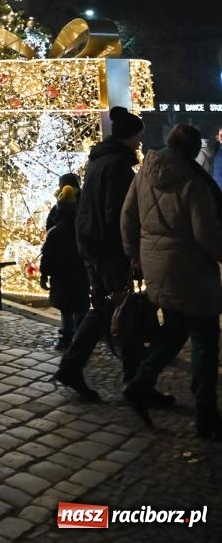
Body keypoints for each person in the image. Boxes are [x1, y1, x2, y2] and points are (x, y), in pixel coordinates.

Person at [54, 105, 170, 405]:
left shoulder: (99, 161)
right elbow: (115, 213)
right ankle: (134, 382)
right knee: (122, 306)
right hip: (107, 247)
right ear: (129, 137)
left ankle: (76, 367)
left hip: (92, 243)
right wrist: (128, 250)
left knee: (107, 306)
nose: (140, 141)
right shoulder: (118, 165)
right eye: (138, 136)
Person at [121, 123, 222, 439]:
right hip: (190, 270)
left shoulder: (145, 173)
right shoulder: (194, 182)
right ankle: (206, 414)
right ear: (192, 150)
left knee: (176, 327)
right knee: (205, 337)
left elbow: (127, 216)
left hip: (156, 266)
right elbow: (206, 234)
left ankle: (140, 383)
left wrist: (134, 255)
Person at [40, 184, 90, 350]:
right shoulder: (82, 230)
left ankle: (66, 338)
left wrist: (44, 274)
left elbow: (47, 256)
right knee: (80, 307)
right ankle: (81, 338)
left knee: (66, 310)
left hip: (61, 278)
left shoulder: (55, 232)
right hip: (80, 276)